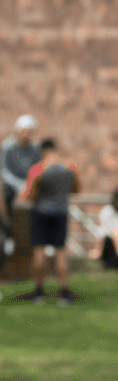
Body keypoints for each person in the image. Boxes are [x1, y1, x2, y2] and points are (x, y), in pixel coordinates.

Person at [13, 138, 83, 306]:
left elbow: (29, 195)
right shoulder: (70, 166)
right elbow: (77, 190)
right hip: (60, 213)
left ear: (43, 151)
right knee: (60, 251)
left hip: (41, 213)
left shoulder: (37, 169)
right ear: (54, 149)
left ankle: (38, 292)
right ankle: (64, 292)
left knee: (39, 251)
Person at [0, 114, 41, 267]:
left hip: (29, 184)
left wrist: (29, 185)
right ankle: (9, 235)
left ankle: (43, 239)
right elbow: (4, 171)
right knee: (5, 199)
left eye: (30, 131)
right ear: (19, 130)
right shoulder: (7, 146)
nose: (28, 134)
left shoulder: (35, 148)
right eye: (25, 131)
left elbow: (37, 169)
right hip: (12, 185)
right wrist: (19, 186)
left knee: (43, 200)